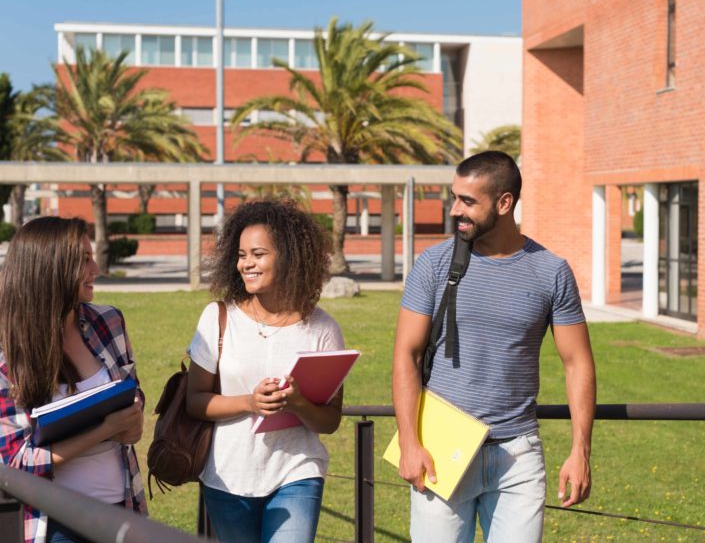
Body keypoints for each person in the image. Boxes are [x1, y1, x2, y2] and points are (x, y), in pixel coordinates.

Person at [392, 151, 596, 542]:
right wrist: (409, 442)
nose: (455, 210)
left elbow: (577, 363)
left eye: (468, 201)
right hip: (440, 451)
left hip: (517, 456)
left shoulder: (551, 272)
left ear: (504, 203)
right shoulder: (433, 264)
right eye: (455, 197)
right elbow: (407, 354)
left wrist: (580, 450)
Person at [186, 199, 345, 543]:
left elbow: (330, 422)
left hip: (297, 472)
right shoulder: (217, 317)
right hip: (227, 476)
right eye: (242, 255)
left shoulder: (323, 329)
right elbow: (194, 401)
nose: (246, 264)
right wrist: (250, 403)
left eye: (258, 254)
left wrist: (299, 403)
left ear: (288, 257)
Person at [0, 216, 146, 543]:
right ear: (50, 267)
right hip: (54, 525)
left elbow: (131, 393)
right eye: (83, 260)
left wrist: (133, 418)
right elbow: (16, 462)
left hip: (122, 509)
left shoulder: (109, 321)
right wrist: (106, 429)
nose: (95, 268)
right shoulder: (6, 350)